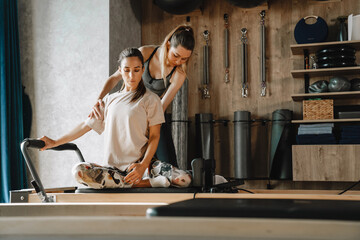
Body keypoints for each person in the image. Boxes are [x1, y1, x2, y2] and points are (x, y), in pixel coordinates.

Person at [39, 48, 191, 189]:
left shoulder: (151, 100)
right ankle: (145, 184)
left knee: (184, 179)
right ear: (120, 71)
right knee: (78, 172)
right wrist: (54, 142)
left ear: (142, 70)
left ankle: (137, 180)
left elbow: (154, 136)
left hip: (141, 166)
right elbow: (85, 126)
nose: (132, 76)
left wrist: (144, 165)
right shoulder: (109, 100)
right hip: (113, 170)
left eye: (137, 70)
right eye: (127, 70)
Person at [90, 25, 195, 168]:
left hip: (151, 116)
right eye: (176, 55)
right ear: (168, 44)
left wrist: (147, 128)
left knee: (168, 166)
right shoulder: (146, 52)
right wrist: (99, 98)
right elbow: (115, 78)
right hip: (130, 111)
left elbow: (161, 105)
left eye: (184, 59)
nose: (178, 61)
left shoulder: (179, 75)